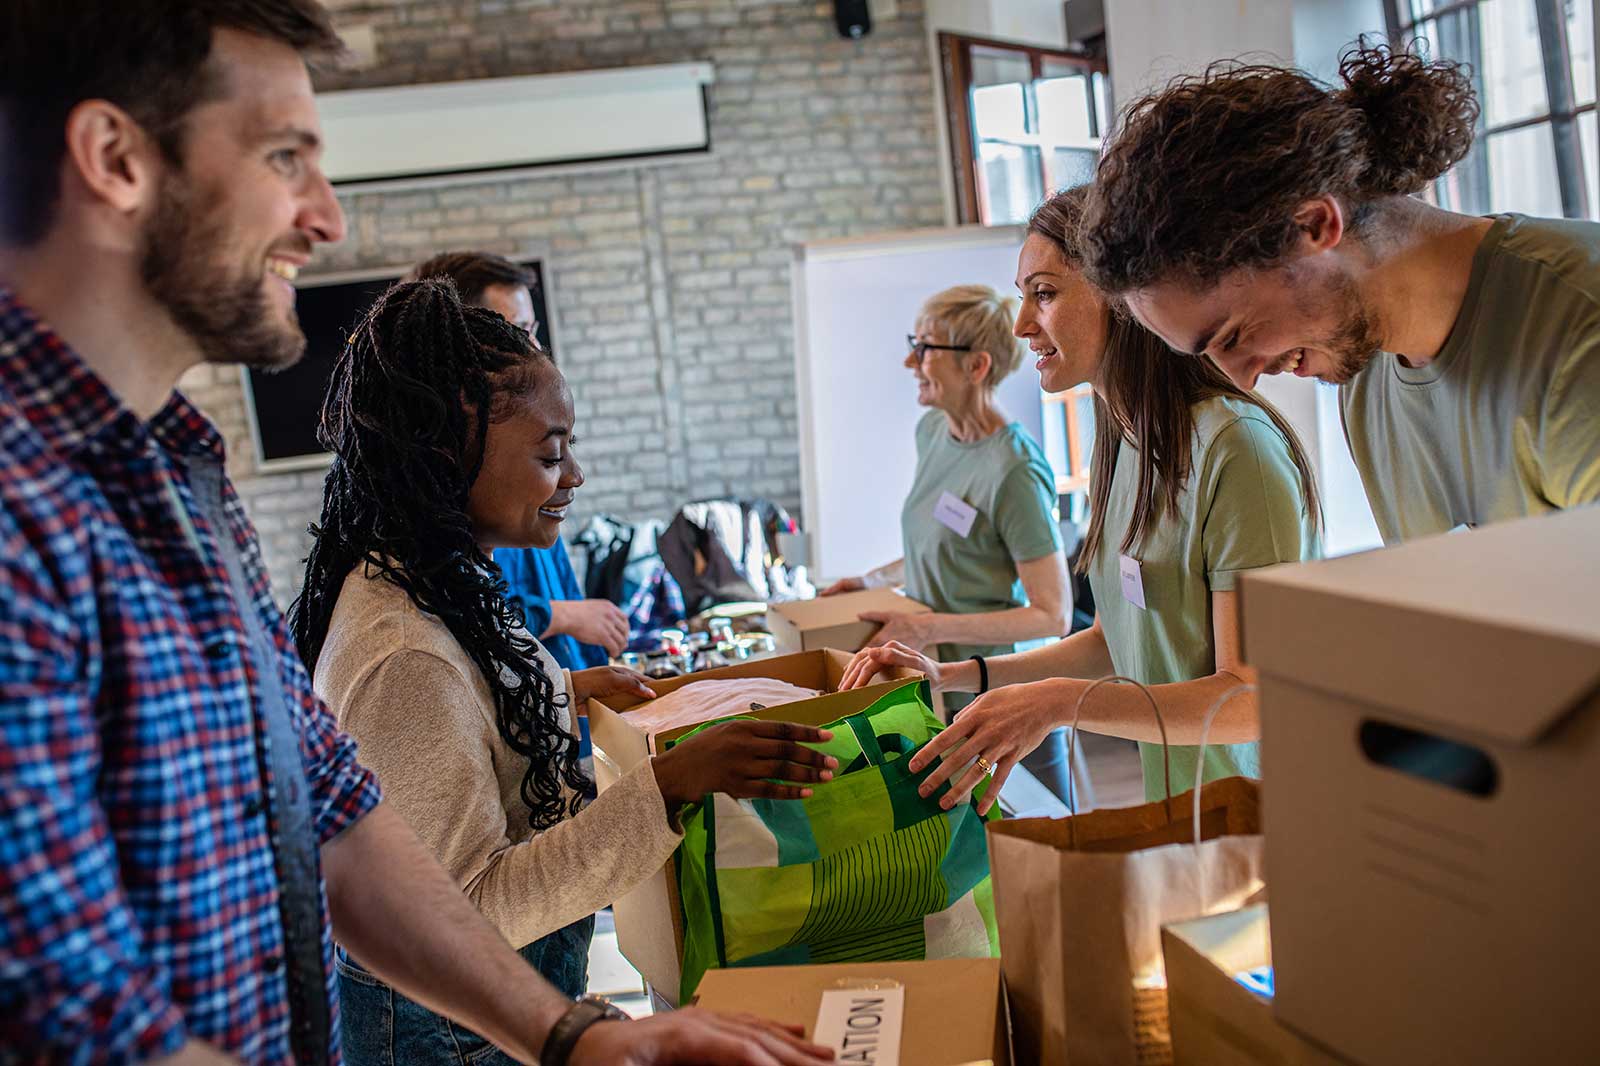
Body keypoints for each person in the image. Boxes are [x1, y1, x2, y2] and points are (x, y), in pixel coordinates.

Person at [0, 4, 834, 1063]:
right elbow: (59, 1010)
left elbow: (338, 820)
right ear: (116, 158)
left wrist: (576, 1037)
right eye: (285, 157)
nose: (327, 219)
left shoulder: (178, 472)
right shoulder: (22, 512)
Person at [293, 278, 841, 1062]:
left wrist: (561, 694)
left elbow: (461, 725)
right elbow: (466, 913)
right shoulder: (404, 653)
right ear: (450, 451)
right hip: (446, 1035)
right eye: (552, 453)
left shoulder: (433, 578)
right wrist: (673, 783)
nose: (575, 475)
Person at [841, 186, 1321, 809]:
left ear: (1125, 297)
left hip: (1262, 824)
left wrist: (1059, 703)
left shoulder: (1237, 450)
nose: (1020, 326)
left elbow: (1250, 700)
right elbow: (1111, 642)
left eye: (1044, 293)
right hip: (1177, 814)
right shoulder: (1125, 444)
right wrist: (956, 676)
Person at [1082, 41, 1600, 544]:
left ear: (1313, 224)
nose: (1245, 378)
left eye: (1234, 334)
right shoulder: (1364, 371)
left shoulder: (1577, 322)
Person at [820, 285, 1074, 797]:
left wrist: (924, 624)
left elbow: (1052, 614)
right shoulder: (933, 433)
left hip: (1001, 691)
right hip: (937, 678)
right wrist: (869, 582)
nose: (910, 360)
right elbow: (940, 540)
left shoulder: (1017, 470)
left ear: (976, 367)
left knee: (1038, 841)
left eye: (927, 348)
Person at [406, 250, 623, 668]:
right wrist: (560, 615)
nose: (535, 348)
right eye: (517, 330)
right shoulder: (471, 492)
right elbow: (472, 607)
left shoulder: (528, 487)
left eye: (533, 329)